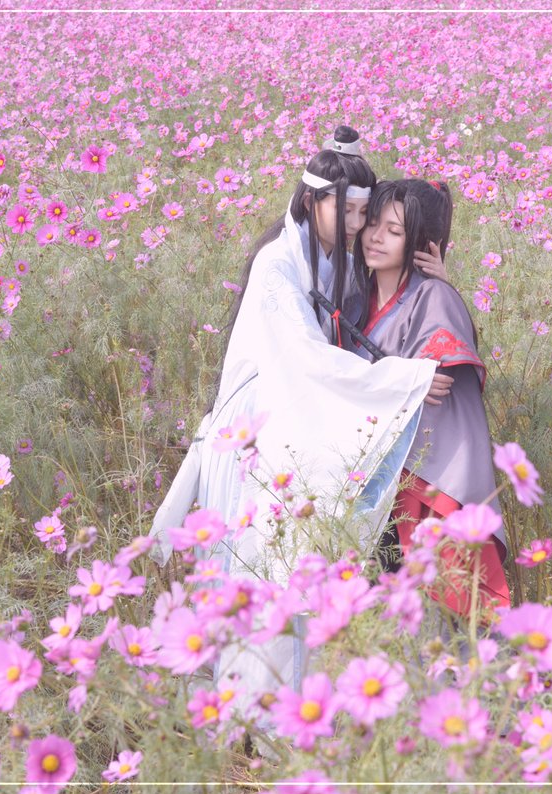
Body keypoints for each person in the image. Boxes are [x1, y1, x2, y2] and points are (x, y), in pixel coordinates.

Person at [148, 128, 450, 699]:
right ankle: (253, 711)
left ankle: (288, 707)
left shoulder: (333, 258)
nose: (358, 225)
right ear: (312, 201)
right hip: (258, 431)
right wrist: (406, 379)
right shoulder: (277, 264)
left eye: (365, 212)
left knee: (292, 564)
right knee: (259, 568)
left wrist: (436, 283)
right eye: (349, 211)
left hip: (293, 418)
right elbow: (309, 358)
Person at [345, 179, 510, 619]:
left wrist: (407, 380)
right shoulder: (356, 298)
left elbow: (439, 389)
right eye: (372, 223)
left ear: (419, 241)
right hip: (363, 472)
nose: (375, 237)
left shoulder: (434, 297)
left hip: (411, 478)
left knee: (414, 614)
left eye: (394, 231)